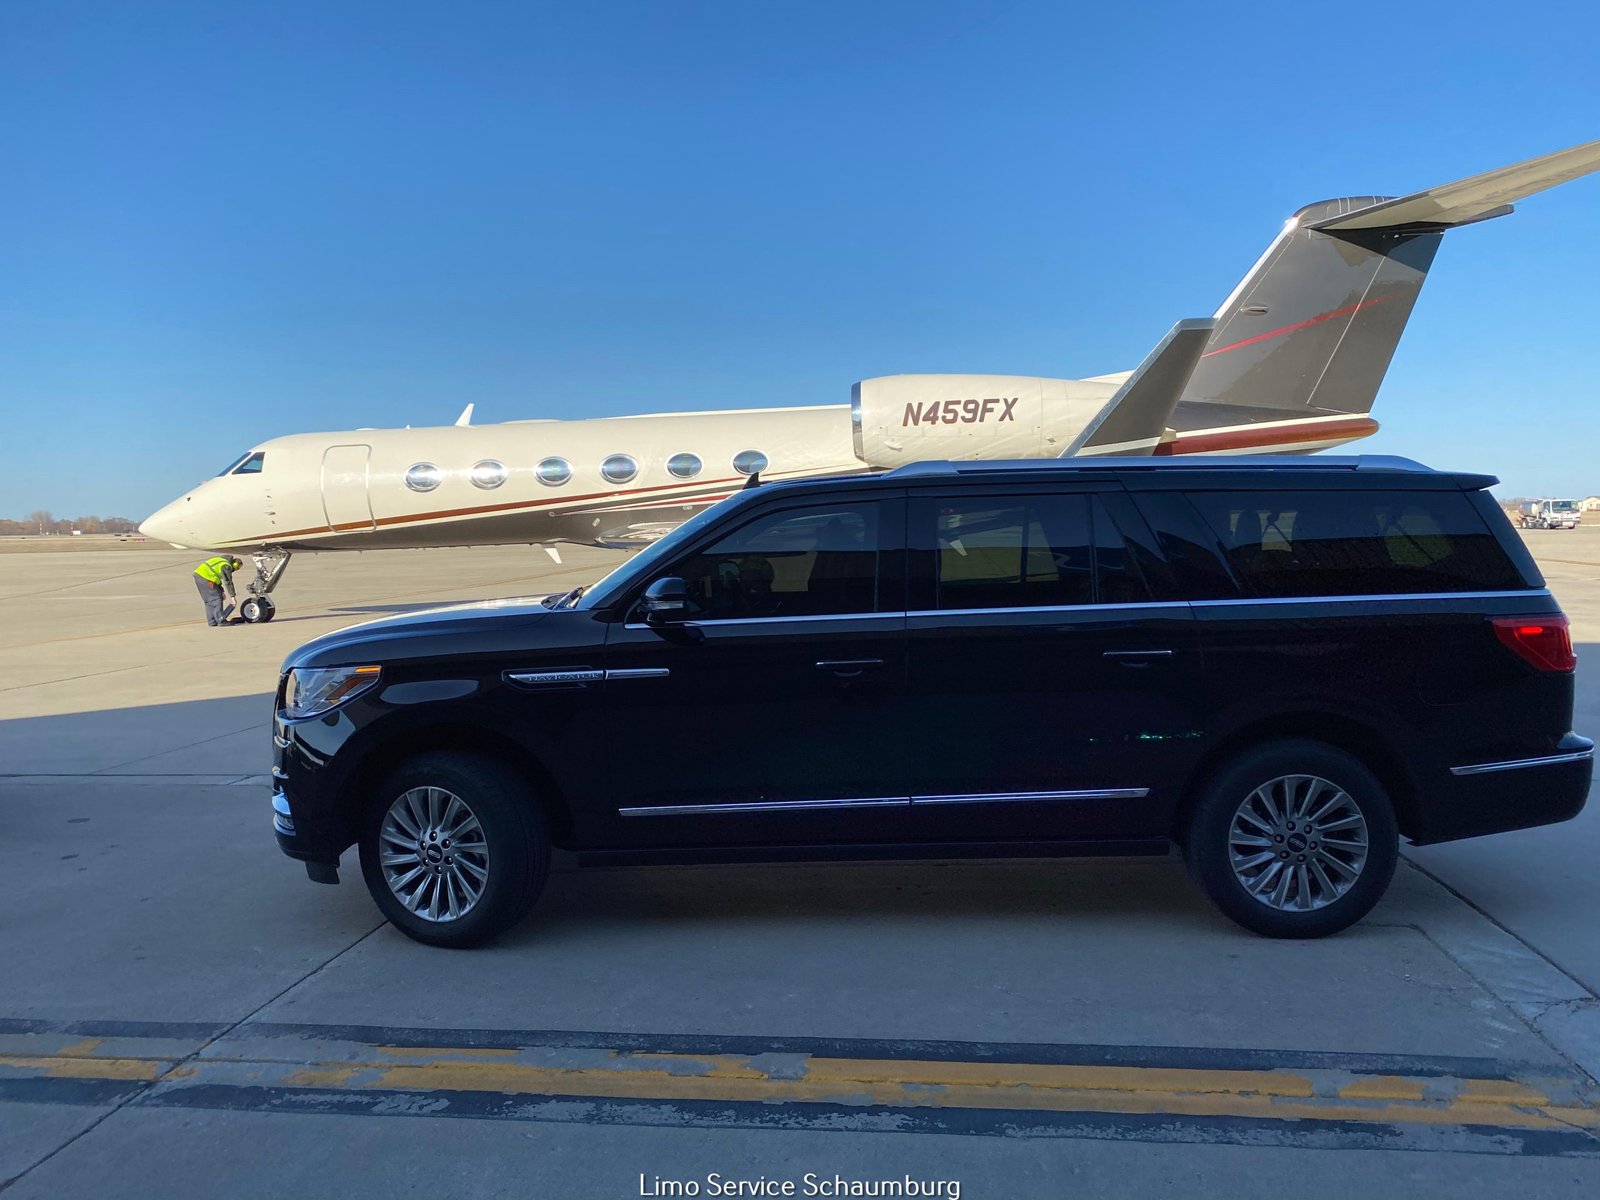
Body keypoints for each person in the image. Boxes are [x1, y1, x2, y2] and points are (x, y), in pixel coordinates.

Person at [193, 555, 245, 626]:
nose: (236, 570)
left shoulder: (222, 561)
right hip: (206, 578)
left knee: (209, 601)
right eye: (237, 568)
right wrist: (232, 597)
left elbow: (216, 578)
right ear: (235, 565)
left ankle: (212, 621)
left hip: (199, 576)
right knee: (217, 599)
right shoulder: (226, 566)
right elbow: (228, 581)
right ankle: (221, 620)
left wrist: (222, 591)